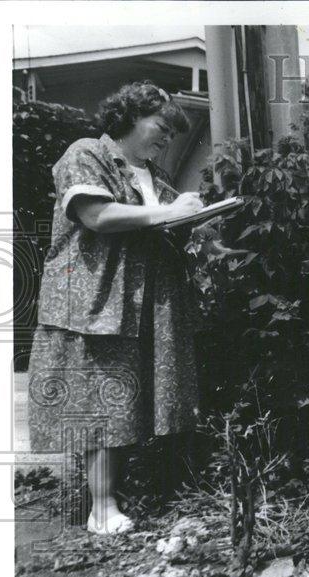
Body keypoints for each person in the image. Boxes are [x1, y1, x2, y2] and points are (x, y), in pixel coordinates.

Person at [27, 80, 205, 535]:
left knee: (129, 403)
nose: (168, 139)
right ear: (130, 116)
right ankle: (101, 509)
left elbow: (160, 233)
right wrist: (168, 213)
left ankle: (128, 494)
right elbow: (96, 216)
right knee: (101, 405)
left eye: (172, 133)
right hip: (95, 299)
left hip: (146, 302)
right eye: (162, 127)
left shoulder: (157, 178)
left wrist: (194, 217)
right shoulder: (87, 153)